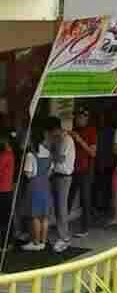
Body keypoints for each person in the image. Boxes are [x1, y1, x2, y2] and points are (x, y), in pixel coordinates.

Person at [46, 116, 75, 253]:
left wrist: (49, 152)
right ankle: (60, 234)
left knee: (62, 208)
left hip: (64, 177)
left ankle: (65, 238)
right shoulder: (58, 139)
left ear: (55, 129)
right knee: (57, 207)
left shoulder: (66, 139)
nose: (50, 135)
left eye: (51, 132)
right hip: (56, 176)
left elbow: (60, 158)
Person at [20, 126, 52, 252]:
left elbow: (28, 173)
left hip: (34, 186)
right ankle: (43, 242)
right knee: (44, 216)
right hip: (46, 185)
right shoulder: (48, 152)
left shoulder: (30, 154)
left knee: (35, 216)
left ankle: (36, 242)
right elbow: (50, 170)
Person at [68, 107, 97, 238]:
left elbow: (93, 152)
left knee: (85, 199)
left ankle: (85, 227)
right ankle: (63, 225)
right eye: (77, 117)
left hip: (86, 170)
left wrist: (79, 140)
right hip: (72, 169)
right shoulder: (72, 130)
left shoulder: (91, 131)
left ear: (86, 118)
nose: (78, 119)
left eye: (81, 117)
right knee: (68, 198)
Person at [0, 133, 15, 251]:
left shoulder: (5, 155)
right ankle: (7, 242)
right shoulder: (10, 154)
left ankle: (5, 243)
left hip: (3, 191)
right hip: (7, 190)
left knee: (4, 219)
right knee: (6, 217)